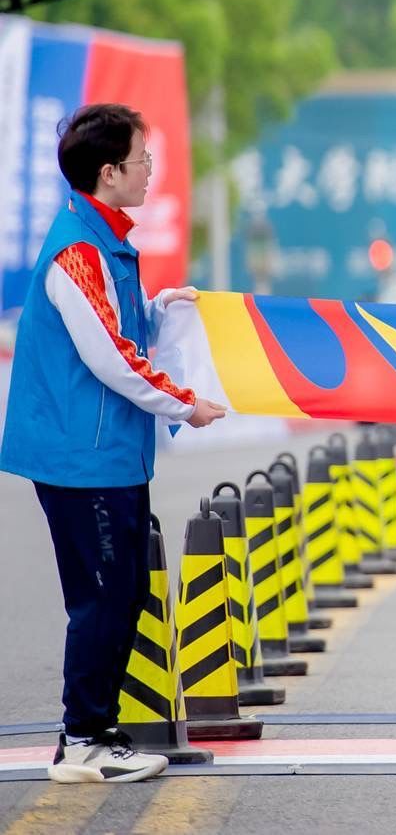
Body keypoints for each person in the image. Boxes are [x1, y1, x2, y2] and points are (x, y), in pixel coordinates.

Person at [0, 105, 226, 784]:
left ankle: (95, 733)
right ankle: (82, 740)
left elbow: (120, 332)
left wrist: (160, 310)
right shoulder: (79, 250)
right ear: (109, 172)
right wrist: (186, 404)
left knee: (121, 594)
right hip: (83, 457)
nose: (150, 170)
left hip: (109, 453)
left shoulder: (106, 241)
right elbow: (111, 360)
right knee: (102, 598)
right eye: (141, 160)